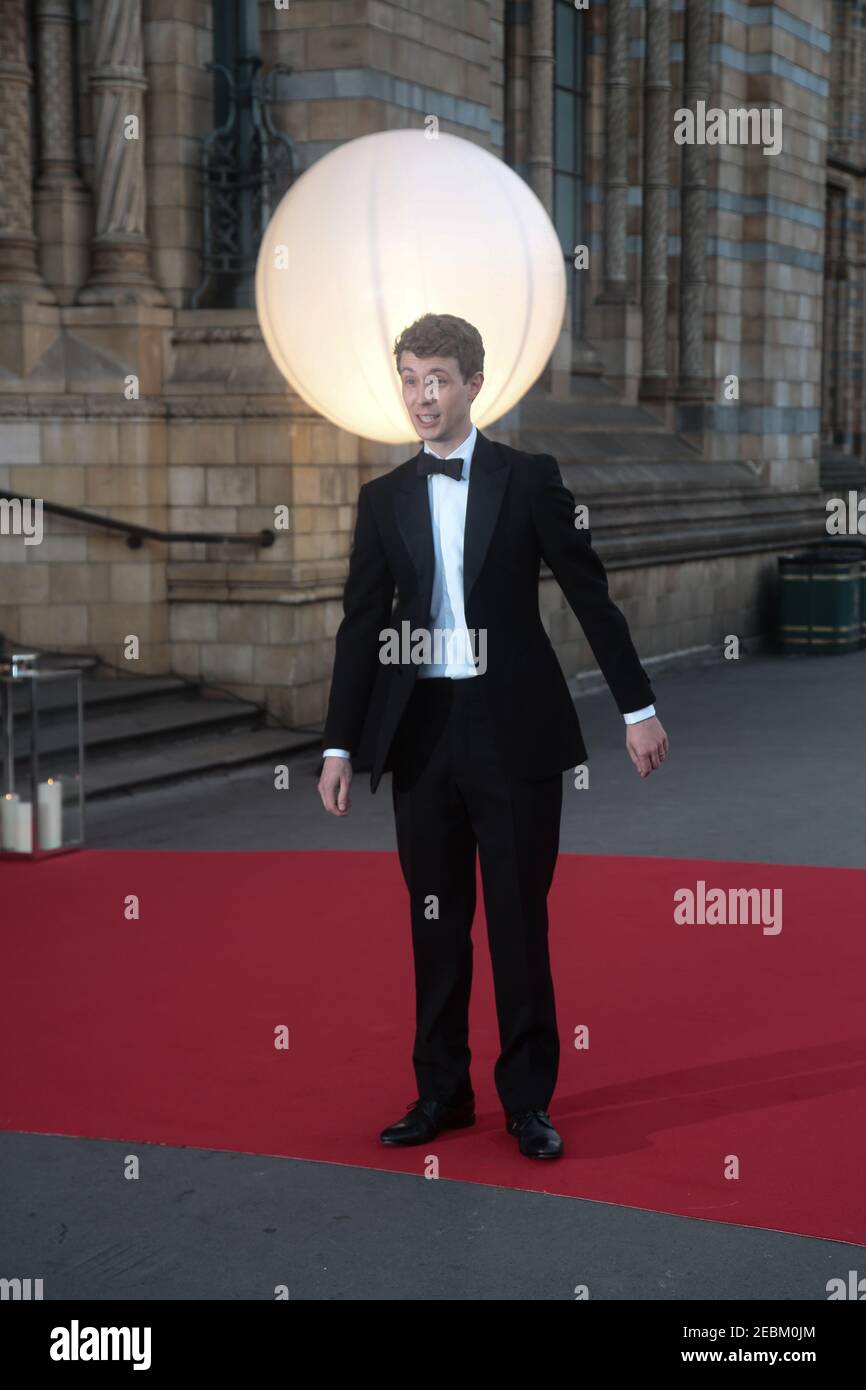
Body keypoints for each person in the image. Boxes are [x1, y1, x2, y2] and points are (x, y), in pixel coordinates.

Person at [318, 313, 668, 1158]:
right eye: (408, 378)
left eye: (436, 378)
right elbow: (360, 625)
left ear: (474, 385)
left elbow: (590, 593)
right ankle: (440, 1093)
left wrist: (637, 707)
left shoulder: (530, 478)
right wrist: (337, 746)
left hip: (512, 730)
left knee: (518, 922)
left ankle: (526, 1103)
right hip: (421, 735)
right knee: (433, 923)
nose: (421, 396)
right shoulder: (384, 500)